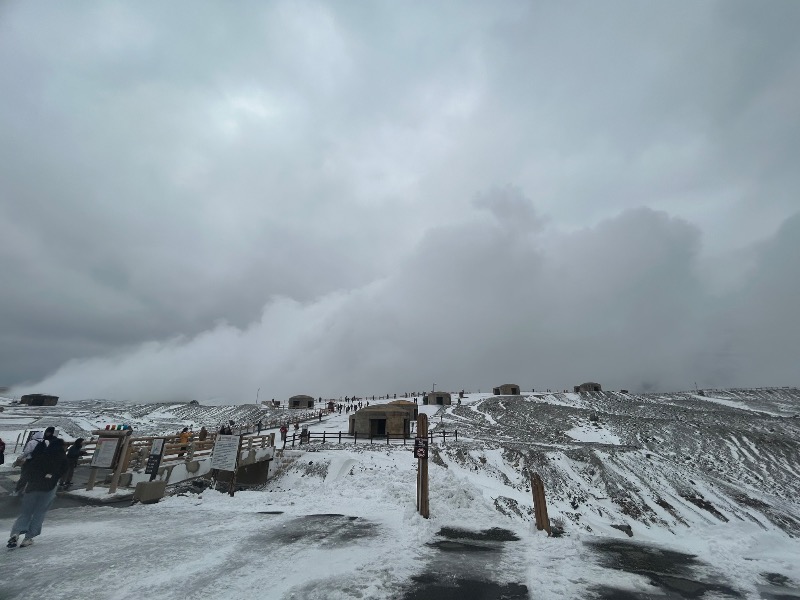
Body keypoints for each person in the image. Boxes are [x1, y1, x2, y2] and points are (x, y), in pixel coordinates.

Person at [8, 437, 68, 548]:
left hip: (33, 487)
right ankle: (28, 538)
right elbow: (63, 472)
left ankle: (15, 533)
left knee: (26, 512)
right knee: (39, 512)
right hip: (49, 489)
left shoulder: (41, 455)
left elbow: (29, 470)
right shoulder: (62, 458)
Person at [14, 427, 55, 494]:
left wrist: (20, 458)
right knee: (34, 477)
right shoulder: (46, 442)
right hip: (40, 462)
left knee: (24, 476)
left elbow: (26, 452)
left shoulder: (32, 442)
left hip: (30, 461)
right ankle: (30, 491)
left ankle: (18, 490)